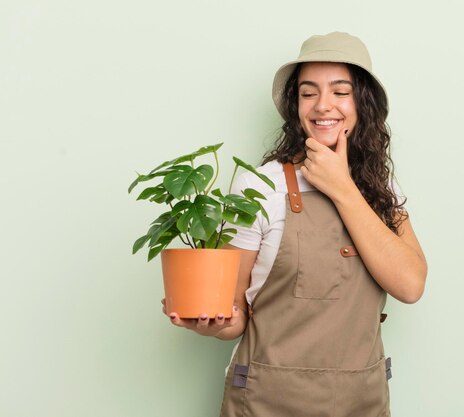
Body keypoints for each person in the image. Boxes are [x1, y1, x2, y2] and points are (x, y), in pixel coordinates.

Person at [163, 32, 427, 416]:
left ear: (362, 101)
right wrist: (212, 323)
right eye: (308, 93)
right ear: (295, 104)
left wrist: (343, 188)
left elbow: (410, 284)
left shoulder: (381, 187)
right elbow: (235, 313)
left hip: (361, 402)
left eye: (340, 91)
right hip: (266, 402)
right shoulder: (261, 185)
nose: (323, 106)